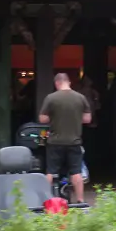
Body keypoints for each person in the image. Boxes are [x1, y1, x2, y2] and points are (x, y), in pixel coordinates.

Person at [39, 73, 92, 204]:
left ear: (57, 83)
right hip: (74, 141)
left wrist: (55, 117)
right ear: (69, 82)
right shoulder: (81, 97)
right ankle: (80, 200)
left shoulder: (51, 98)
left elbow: (42, 118)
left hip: (55, 142)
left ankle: (44, 199)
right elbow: (87, 119)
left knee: (50, 171)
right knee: (76, 172)